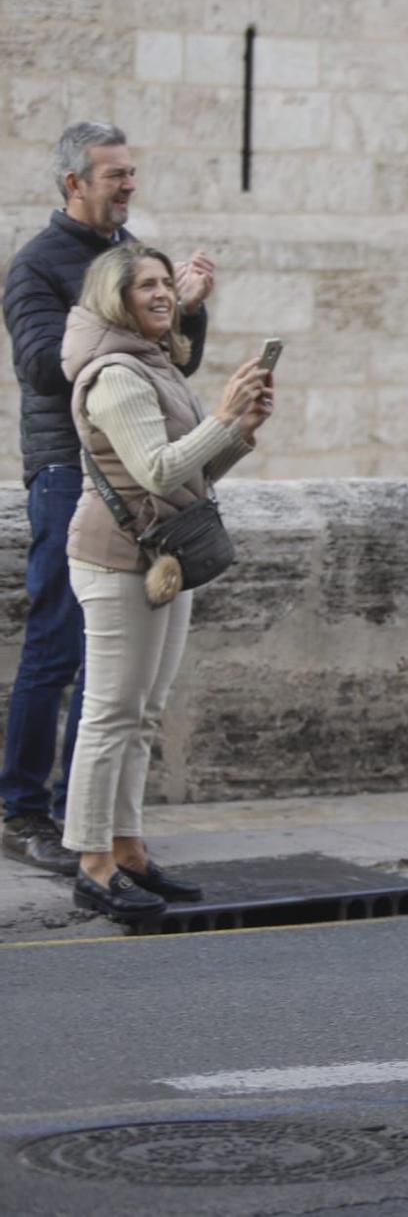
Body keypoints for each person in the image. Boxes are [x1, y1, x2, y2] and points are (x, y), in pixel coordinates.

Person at [2, 122, 214, 876]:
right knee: (57, 641)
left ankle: (85, 817)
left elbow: (170, 361)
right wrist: (119, 310)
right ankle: (23, 807)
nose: (129, 185)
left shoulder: (127, 256)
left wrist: (182, 310)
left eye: (131, 172)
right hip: (71, 470)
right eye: (114, 175)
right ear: (74, 184)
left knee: (119, 673)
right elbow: (39, 365)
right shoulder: (37, 265)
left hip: (137, 473)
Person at [59, 245, 265, 920]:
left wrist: (238, 430)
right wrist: (222, 415)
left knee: (143, 713)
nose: (162, 294)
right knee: (111, 712)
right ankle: (91, 859)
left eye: (164, 284)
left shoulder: (156, 363)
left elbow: (190, 477)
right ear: (116, 297)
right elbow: (155, 469)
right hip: (119, 557)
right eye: (145, 285)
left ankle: (128, 847)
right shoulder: (117, 374)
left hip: (162, 552)